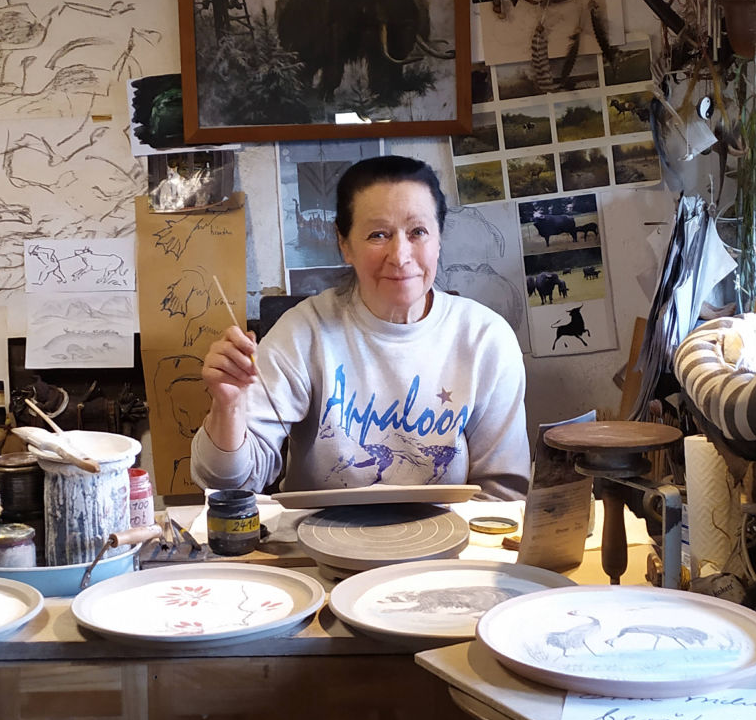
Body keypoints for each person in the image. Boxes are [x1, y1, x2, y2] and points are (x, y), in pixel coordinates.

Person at [191, 155, 530, 501]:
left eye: (418, 232)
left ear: (439, 237)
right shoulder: (302, 333)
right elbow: (229, 484)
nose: (400, 255)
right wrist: (228, 406)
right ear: (344, 244)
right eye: (378, 235)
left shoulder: (486, 339)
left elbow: (504, 495)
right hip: (317, 534)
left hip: (450, 535)